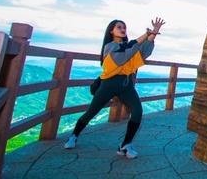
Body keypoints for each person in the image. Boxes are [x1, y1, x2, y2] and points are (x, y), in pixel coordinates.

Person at [63, 17, 166, 159]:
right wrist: (146, 35)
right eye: (119, 27)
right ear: (111, 31)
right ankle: (74, 136)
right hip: (109, 85)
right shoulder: (110, 47)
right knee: (91, 113)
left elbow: (144, 51)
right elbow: (126, 51)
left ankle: (125, 145)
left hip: (126, 85)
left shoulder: (129, 46)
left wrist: (154, 32)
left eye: (124, 27)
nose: (123, 29)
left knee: (137, 112)